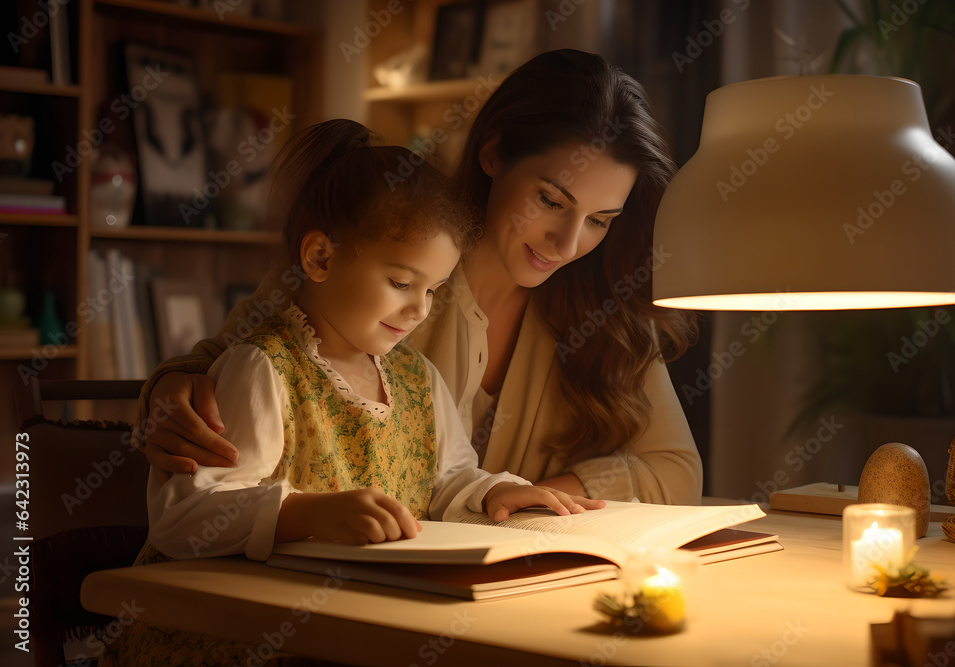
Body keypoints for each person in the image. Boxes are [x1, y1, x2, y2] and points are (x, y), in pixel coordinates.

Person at [105, 119, 601, 667]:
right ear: (320, 258)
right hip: (232, 633)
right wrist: (303, 515)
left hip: (347, 621)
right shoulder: (263, 368)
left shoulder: (417, 379)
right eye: (400, 283)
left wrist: (491, 493)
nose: (419, 310)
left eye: (434, 289)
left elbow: (448, 478)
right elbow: (183, 518)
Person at [135, 49, 703, 505]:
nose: (569, 243)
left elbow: (677, 469)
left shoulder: (604, 305)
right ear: (494, 152)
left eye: (600, 221)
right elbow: (229, 359)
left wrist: (538, 500)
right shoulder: (383, 246)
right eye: (551, 199)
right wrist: (171, 391)